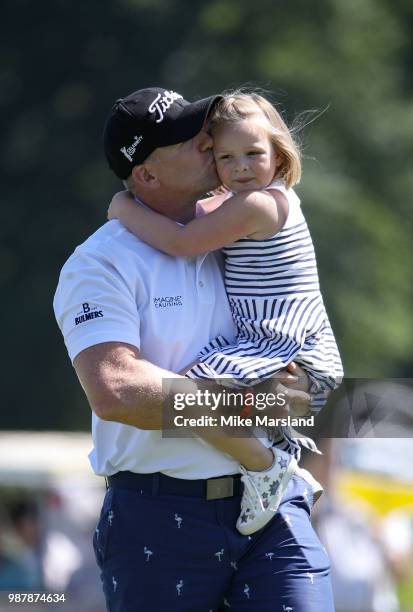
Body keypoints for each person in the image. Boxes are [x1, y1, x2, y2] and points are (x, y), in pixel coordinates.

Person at [54, 86, 335, 611]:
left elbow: (305, 391)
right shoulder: (99, 263)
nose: (210, 141)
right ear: (148, 176)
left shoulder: (233, 225)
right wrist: (246, 409)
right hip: (159, 518)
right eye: (190, 139)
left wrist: (299, 398)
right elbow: (116, 391)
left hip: (274, 511)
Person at [107, 92, 343, 534]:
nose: (239, 167)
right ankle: (285, 468)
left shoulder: (258, 205)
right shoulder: (250, 200)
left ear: (279, 154)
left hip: (284, 343)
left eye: (253, 154)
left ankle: (269, 468)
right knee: (202, 400)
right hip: (277, 341)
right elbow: (195, 217)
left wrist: (124, 209)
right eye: (224, 156)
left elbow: (181, 241)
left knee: (192, 396)